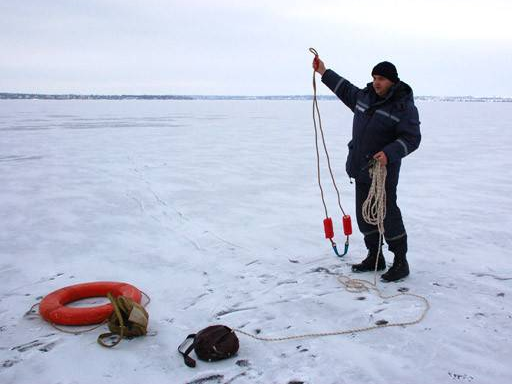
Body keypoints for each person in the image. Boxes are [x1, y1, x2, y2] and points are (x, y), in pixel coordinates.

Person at [313, 57, 421, 282]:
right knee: (365, 219)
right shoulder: (364, 98)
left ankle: (401, 261)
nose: (376, 83)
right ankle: (375, 257)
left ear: (392, 81)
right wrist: (323, 71)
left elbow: (412, 138)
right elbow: (344, 88)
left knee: (387, 215)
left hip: (383, 172)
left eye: (380, 79)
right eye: (374, 78)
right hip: (361, 168)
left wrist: (389, 153)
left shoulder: (403, 107)